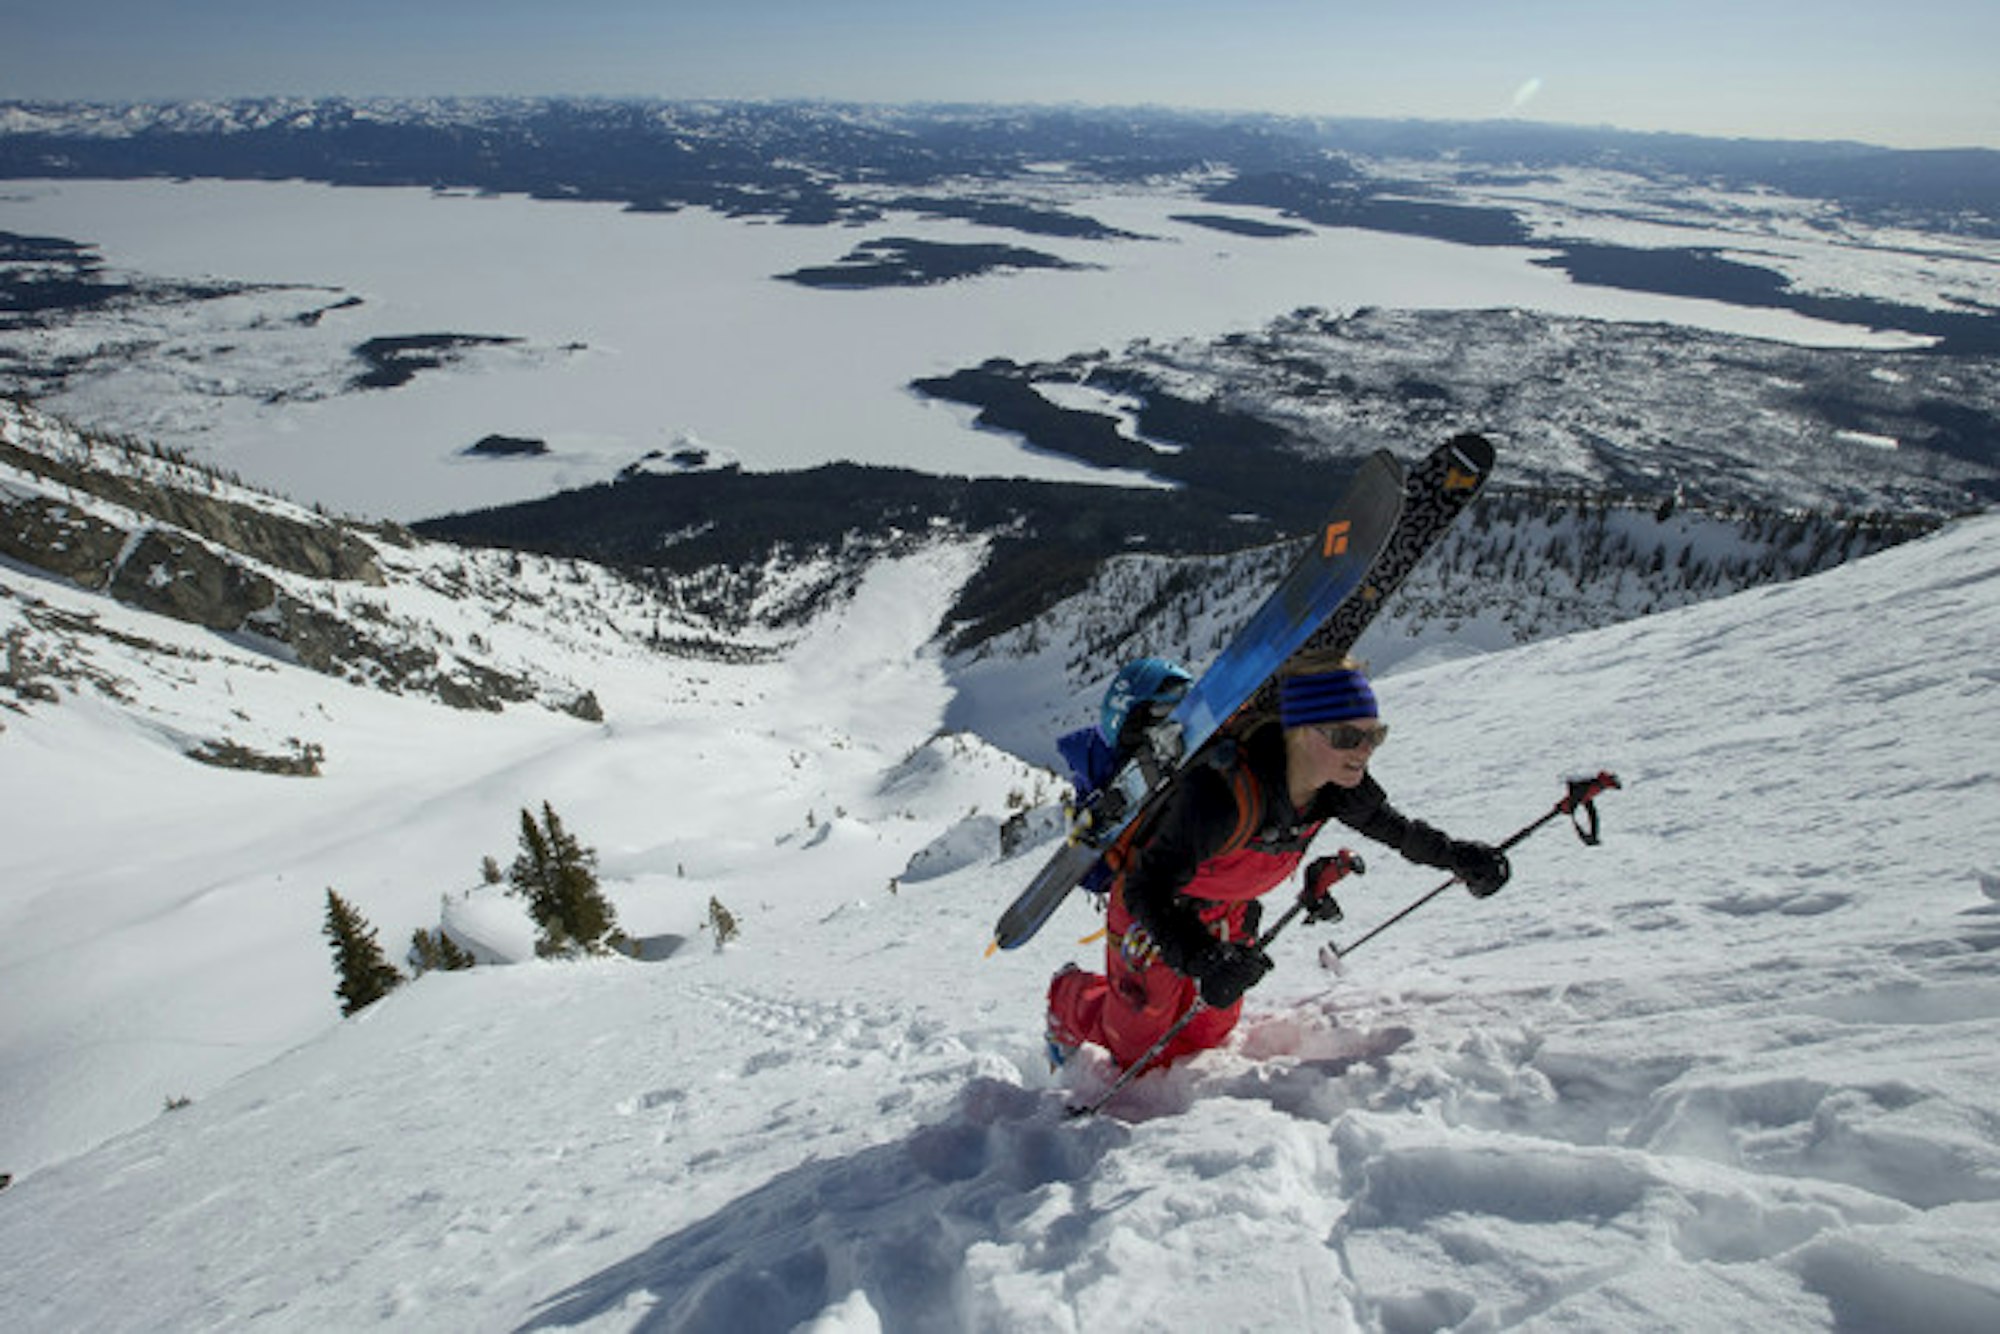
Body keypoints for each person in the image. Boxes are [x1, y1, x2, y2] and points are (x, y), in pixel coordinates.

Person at [1046, 653, 1510, 1074]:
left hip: (1229, 912)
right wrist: (1200, 956)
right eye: (1349, 736)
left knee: (1209, 1033)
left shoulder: (1339, 787)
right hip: (1158, 910)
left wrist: (1458, 857)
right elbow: (1146, 886)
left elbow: (1401, 832)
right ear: (1302, 731)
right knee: (1138, 1043)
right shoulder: (1222, 796)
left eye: (1375, 735)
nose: (1365, 750)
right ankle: (1066, 1000)